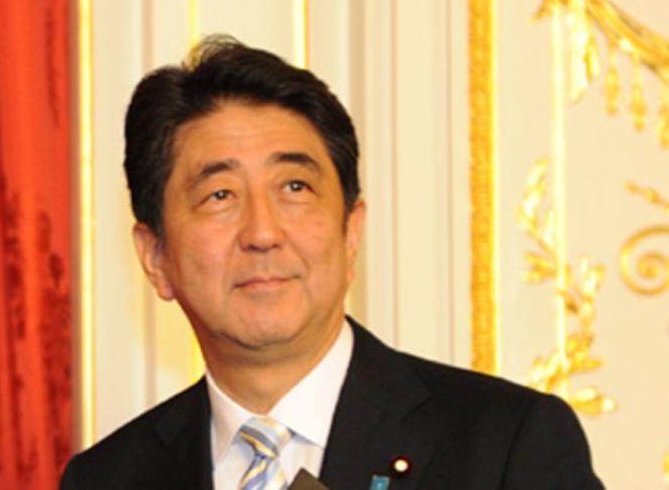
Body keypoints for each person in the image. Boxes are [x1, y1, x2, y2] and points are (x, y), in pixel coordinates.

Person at [60, 36, 603, 489]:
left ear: (351, 231)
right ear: (155, 256)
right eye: (220, 195)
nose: (263, 233)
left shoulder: (505, 446)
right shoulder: (107, 478)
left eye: (295, 187)